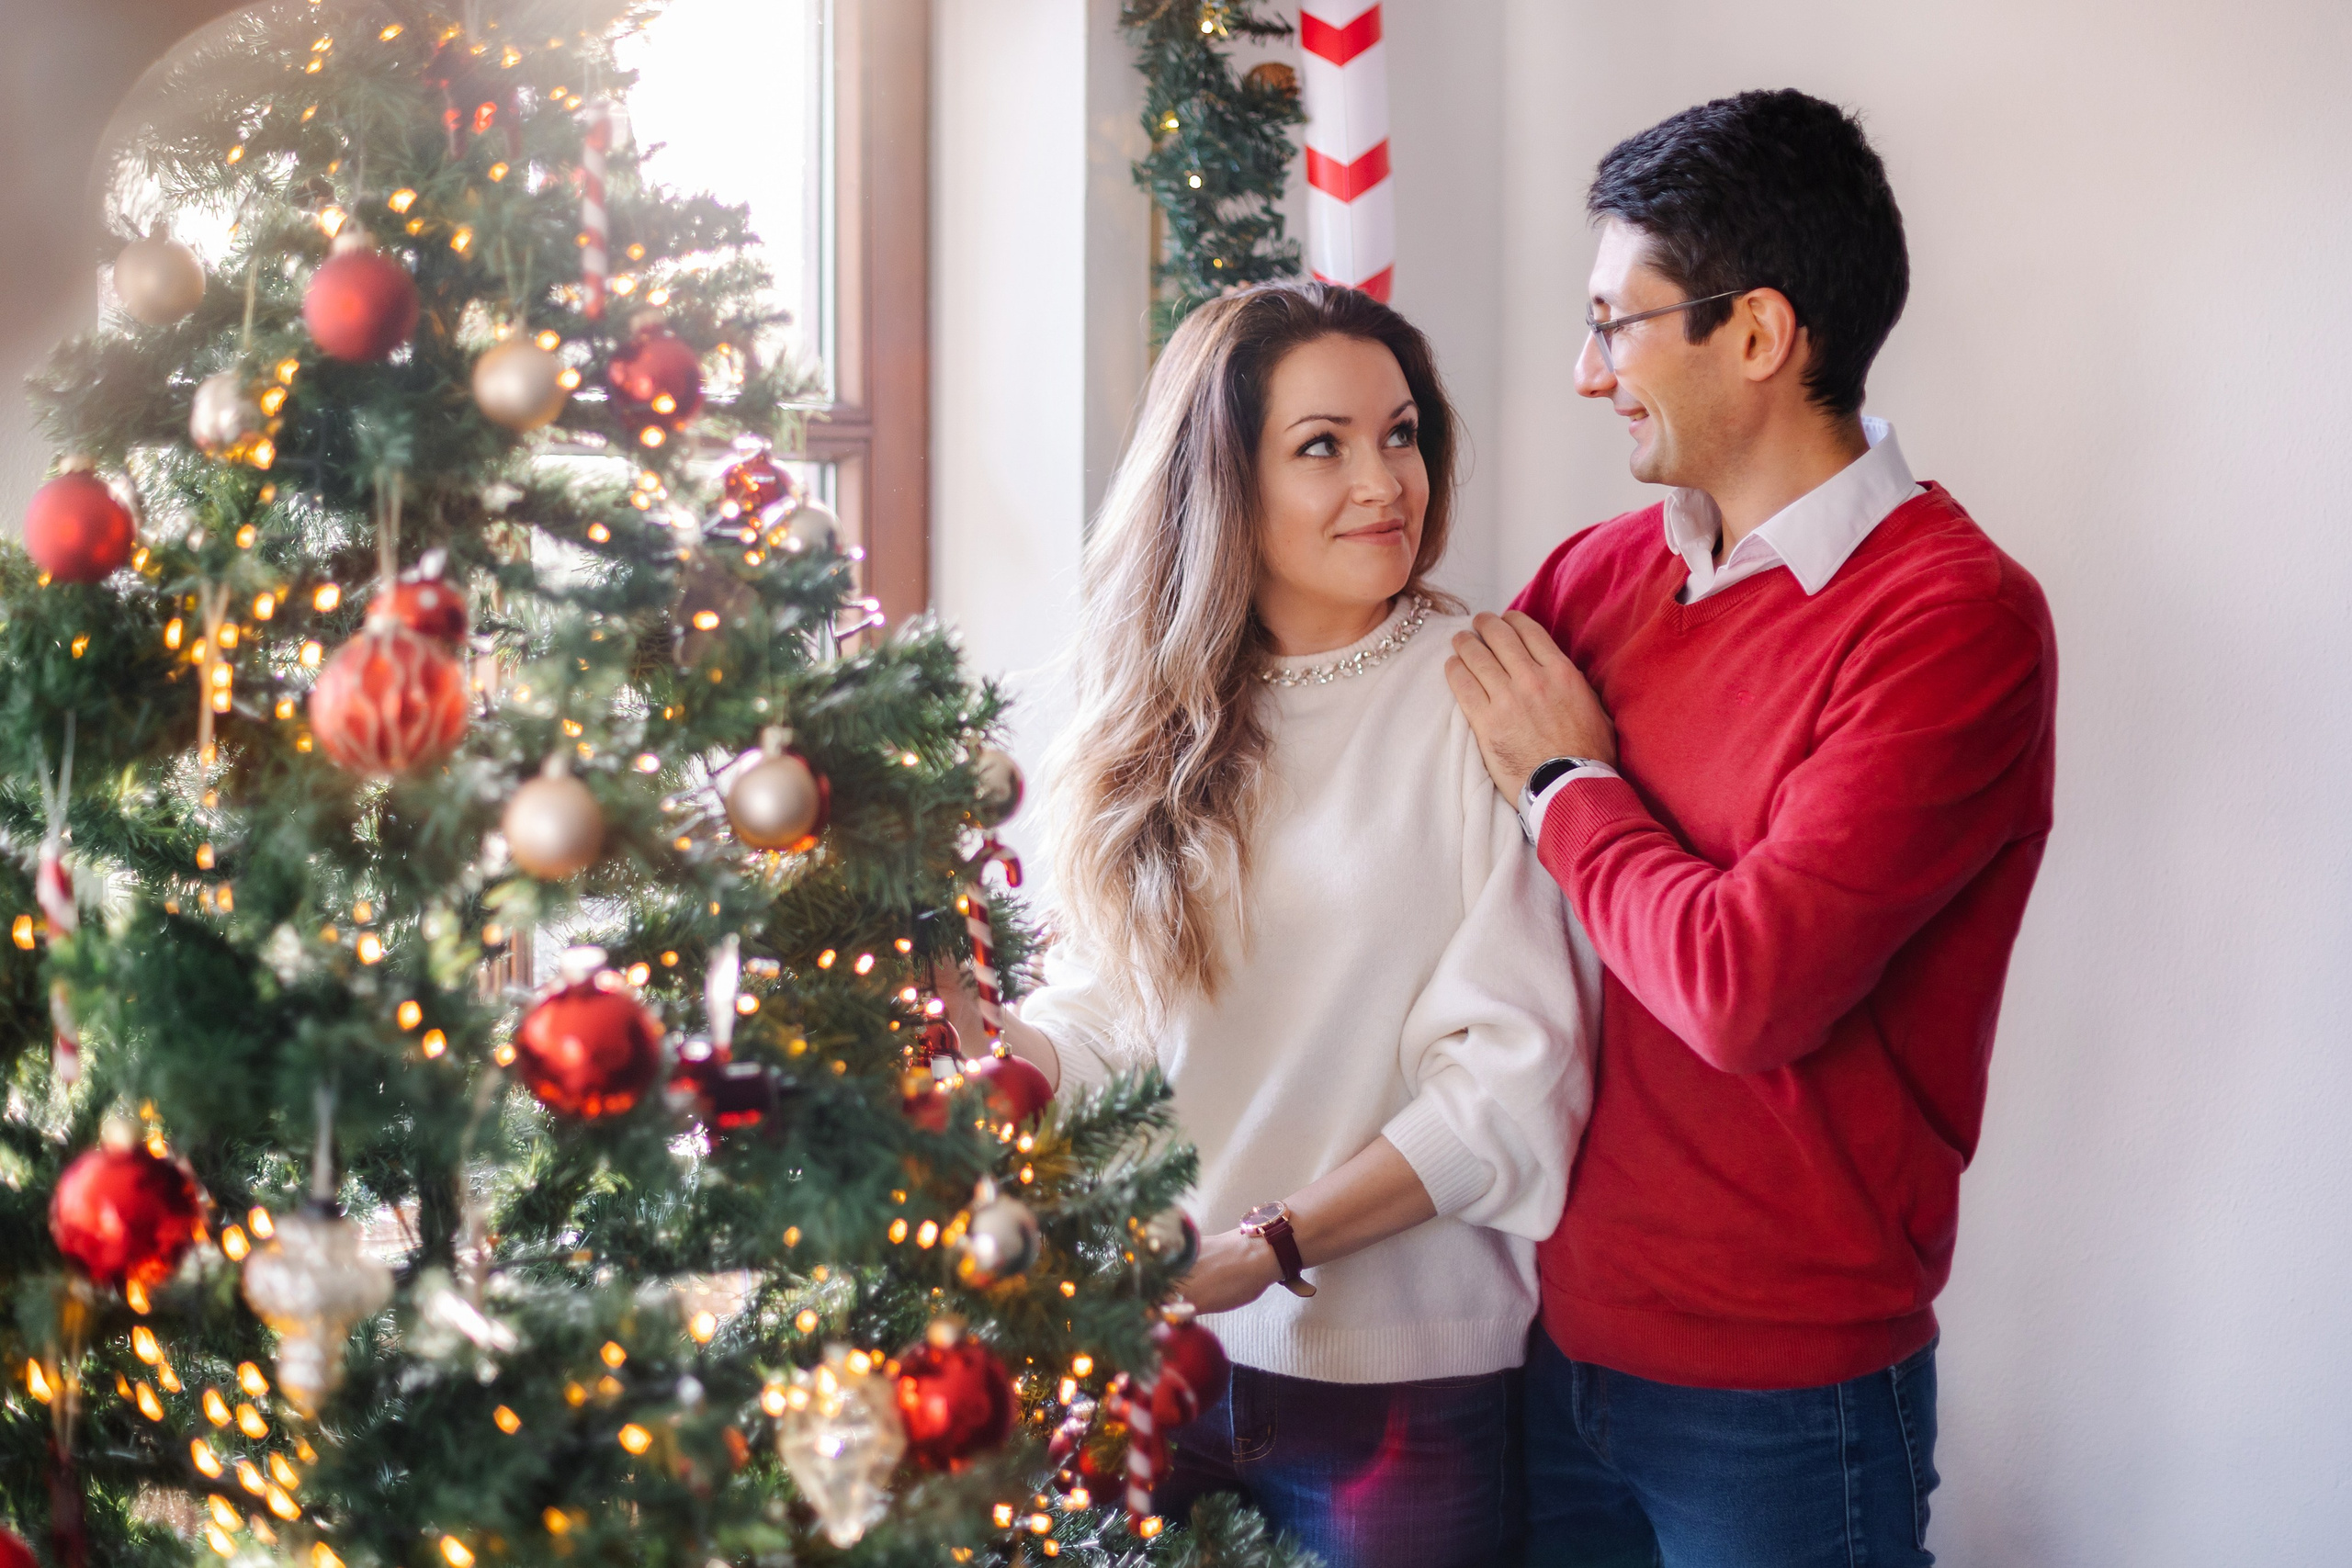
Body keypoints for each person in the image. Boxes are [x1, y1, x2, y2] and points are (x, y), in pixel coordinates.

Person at [1444, 90, 2057, 1567]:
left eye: (1615, 323)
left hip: (1789, 1407)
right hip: (1547, 1345)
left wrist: (1565, 786)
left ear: (1762, 335)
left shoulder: (1955, 622)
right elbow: (1410, 810)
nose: (1587, 374)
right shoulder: (1593, 578)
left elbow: (1745, 986)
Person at [984, 280, 1599, 1568]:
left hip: (1401, 1393)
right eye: (1322, 445)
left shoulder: (1485, 690)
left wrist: (1271, 1248)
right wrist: (1003, 1059)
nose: (1386, 481)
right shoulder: (1145, 713)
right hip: (1145, 1363)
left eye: (1402, 433)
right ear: (1222, 484)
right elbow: (1109, 1005)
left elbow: (1511, 1082)